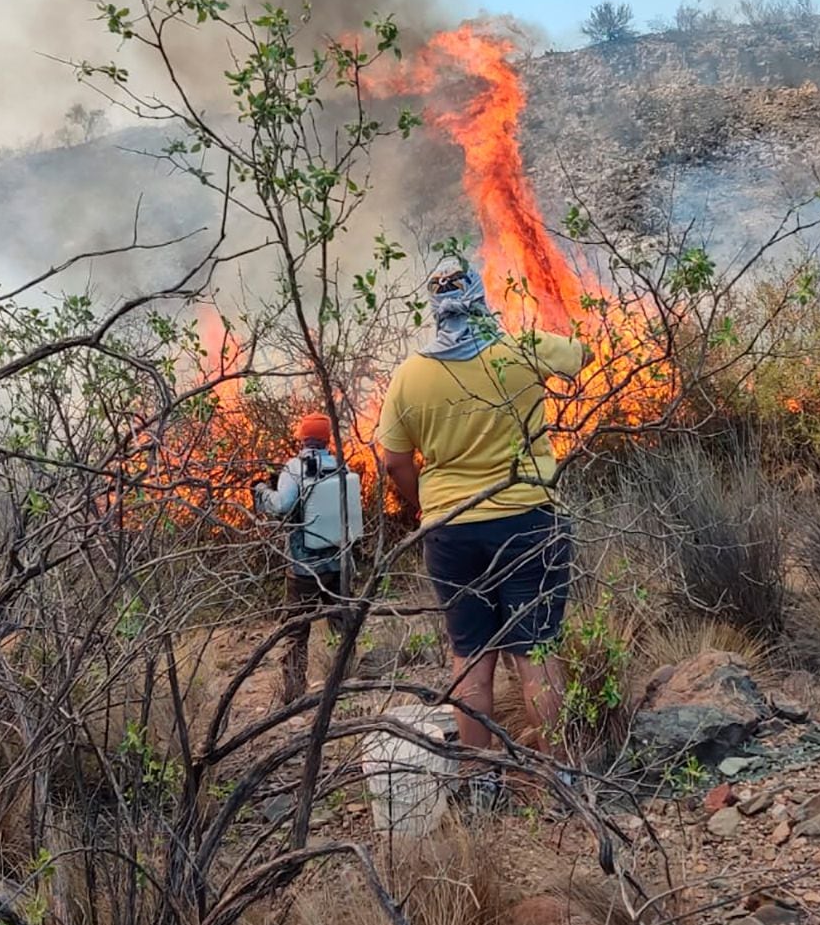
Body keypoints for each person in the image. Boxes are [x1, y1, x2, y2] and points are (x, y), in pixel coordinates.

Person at [376, 258, 590, 790]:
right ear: (479, 297)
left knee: (471, 655)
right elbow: (579, 357)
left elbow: (393, 462)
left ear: (433, 309)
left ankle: (477, 781)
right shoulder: (519, 350)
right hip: (529, 520)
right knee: (535, 650)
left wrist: (427, 507)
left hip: (452, 531)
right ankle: (561, 779)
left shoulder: (411, 375)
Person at [252, 412, 362, 699]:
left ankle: (293, 690)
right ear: (327, 438)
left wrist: (261, 490)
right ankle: (346, 680)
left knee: (296, 630)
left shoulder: (294, 468)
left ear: (302, 437)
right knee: (342, 625)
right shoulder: (341, 466)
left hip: (303, 567)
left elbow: (281, 505)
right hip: (340, 562)